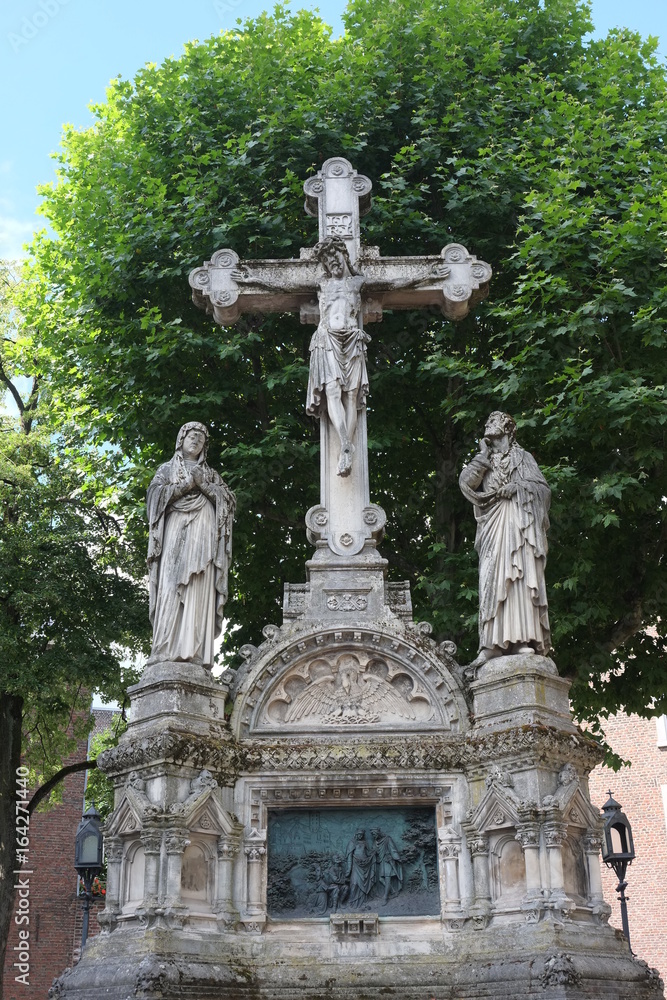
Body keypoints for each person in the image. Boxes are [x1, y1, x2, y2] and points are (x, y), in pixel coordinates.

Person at [459, 411, 551, 666]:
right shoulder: (485, 458)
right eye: (487, 420)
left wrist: (519, 487)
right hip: (493, 527)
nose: (488, 423)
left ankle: (522, 639)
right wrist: (482, 456)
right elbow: (466, 485)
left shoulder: (523, 458)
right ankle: (491, 643)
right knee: (492, 580)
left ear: (508, 428)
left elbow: (543, 490)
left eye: (494, 420)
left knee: (519, 579)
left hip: (520, 527)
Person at [146, 421, 235, 667]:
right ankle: (164, 648)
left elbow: (228, 504)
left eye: (201, 438)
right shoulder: (166, 470)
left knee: (199, 586)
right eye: (191, 436)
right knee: (171, 583)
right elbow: (153, 500)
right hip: (175, 531)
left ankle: (194, 651)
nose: (195, 441)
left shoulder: (211, 474)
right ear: (181, 439)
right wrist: (186, 486)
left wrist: (204, 485)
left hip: (204, 537)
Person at [306, 236, 369, 477]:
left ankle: (347, 446)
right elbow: (277, 285)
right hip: (326, 339)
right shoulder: (322, 284)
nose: (332, 262)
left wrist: (435, 276)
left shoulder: (357, 283)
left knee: (351, 396)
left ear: (344, 254)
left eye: (335, 256)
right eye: (327, 260)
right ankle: (344, 443)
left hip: (352, 339)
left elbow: (400, 281)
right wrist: (249, 278)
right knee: (332, 391)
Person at [344, 829, 376, 908]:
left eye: (361, 835)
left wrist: (373, 852)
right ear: (356, 834)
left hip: (365, 865)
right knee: (354, 883)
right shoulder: (352, 843)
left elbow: (368, 853)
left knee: (364, 883)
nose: (360, 836)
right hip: (356, 865)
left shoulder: (365, 843)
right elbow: (349, 857)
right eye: (359, 834)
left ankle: (362, 902)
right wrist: (349, 869)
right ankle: (352, 901)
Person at [371, 828, 403, 903]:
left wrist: (397, 858)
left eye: (374, 834)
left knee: (387, 879)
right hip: (382, 862)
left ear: (378, 833)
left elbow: (393, 849)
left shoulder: (387, 839)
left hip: (389, 861)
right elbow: (374, 851)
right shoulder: (376, 842)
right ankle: (393, 891)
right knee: (381, 879)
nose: (373, 836)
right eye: (372, 835)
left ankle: (385, 897)